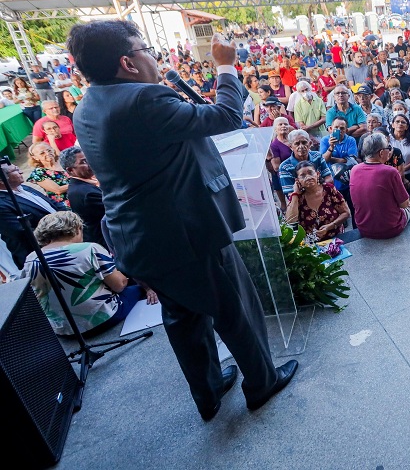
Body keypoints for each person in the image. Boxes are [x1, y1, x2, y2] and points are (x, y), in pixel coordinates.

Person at [70, 21, 297, 421]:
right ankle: (262, 382)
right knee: (235, 309)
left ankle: (208, 393)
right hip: (189, 235)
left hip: (140, 238)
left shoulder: (87, 105)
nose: (153, 58)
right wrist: (225, 66)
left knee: (183, 316)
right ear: (127, 62)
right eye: (145, 50)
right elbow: (227, 115)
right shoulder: (144, 99)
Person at [20, 211, 154, 336]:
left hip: (63, 329)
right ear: (77, 228)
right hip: (102, 319)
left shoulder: (32, 258)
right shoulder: (88, 249)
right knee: (138, 285)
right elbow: (119, 285)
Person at [0, 163, 68, 269]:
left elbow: (53, 203)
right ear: (1, 180)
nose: (21, 172)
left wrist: (69, 218)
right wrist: (64, 234)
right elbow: (23, 233)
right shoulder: (2, 204)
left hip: (65, 240)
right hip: (45, 257)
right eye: (15, 170)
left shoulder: (25, 188)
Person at [349, 131, 410, 239]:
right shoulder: (390, 172)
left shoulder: (354, 170)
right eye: (388, 148)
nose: (390, 150)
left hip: (363, 228)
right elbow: (404, 204)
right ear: (381, 153)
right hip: (390, 229)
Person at [285, 161, 350, 240]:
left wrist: (330, 226)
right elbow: (290, 222)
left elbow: (346, 213)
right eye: (303, 175)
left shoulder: (329, 189)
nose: (308, 177)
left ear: (318, 174)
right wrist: (295, 194)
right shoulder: (297, 197)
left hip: (336, 239)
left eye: (310, 173)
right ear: (297, 180)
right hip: (310, 244)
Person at [60, 146, 106, 249]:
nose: (89, 163)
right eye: (83, 162)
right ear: (70, 170)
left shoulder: (80, 186)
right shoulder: (86, 193)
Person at [389, 112, 410, 208]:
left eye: (403, 122)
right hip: (393, 176)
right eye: (397, 121)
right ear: (393, 125)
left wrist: (403, 169)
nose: (400, 124)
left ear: (407, 126)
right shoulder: (388, 139)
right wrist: (399, 173)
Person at [27, 141, 70, 207]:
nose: (47, 153)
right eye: (42, 153)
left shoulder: (63, 161)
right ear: (35, 157)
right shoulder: (38, 173)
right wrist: (80, 183)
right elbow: (58, 190)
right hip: (65, 204)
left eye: (49, 150)